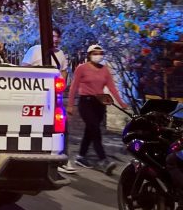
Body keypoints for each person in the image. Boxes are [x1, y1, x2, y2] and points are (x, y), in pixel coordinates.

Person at [67, 44, 129, 174]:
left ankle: (81, 156)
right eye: (95, 53)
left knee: (90, 131)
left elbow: (112, 88)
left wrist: (122, 103)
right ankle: (103, 160)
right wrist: (70, 104)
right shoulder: (81, 68)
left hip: (99, 103)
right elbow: (73, 87)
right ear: (89, 55)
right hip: (86, 102)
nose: (98, 55)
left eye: (100, 53)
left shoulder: (105, 70)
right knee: (95, 130)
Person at [22, 27, 76, 175]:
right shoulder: (34, 50)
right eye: (52, 36)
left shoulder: (61, 54)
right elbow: (24, 69)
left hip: (53, 97)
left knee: (61, 126)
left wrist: (61, 85)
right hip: (34, 96)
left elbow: (63, 71)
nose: (55, 39)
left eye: (58, 36)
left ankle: (62, 159)